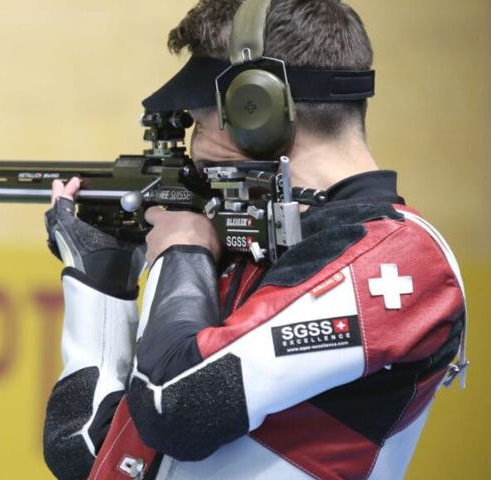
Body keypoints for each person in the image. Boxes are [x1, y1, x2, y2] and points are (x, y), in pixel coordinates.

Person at [41, 0, 468, 479]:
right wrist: (101, 288)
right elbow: (90, 456)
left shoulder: (400, 265)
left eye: (199, 125)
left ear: (257, 110)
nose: (194, 152)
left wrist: (181, 250)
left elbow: (174, 409)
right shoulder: (251, 253)